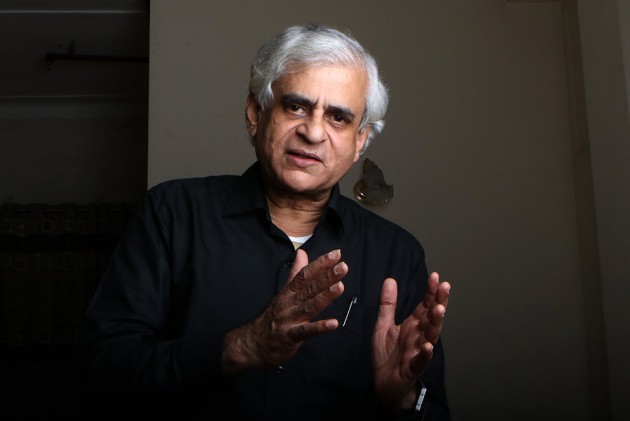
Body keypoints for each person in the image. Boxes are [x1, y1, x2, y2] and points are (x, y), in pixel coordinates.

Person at [77, 23, 452, 420]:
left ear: (360, 140)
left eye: (338, 117)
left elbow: (435, 411)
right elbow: (101, 369)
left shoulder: (397, 254)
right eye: (296, 106)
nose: (313, 132)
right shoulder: (172, 213)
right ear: (255, 114)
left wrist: (403, 400)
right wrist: (240, 347)